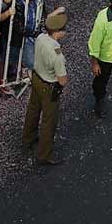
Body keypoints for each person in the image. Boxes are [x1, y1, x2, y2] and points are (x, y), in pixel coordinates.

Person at [22, 10, 72, 166]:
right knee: (49, 121)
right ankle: (44, 154)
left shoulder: (41, 38)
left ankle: (28, 138)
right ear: (58, 32)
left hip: (37, 78)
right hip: (49, 87)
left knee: (33, 110)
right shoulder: (57, 54)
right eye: (63, 29)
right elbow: (62, 80)